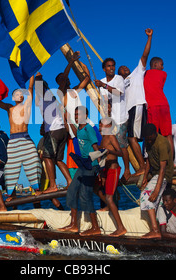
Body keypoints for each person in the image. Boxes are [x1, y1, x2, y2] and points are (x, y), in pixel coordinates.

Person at [0, 75, 41, 200]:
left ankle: (37, 189)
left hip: (25, 138)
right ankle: (10, 193)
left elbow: (30, 89)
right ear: (13, 97)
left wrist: (31, 75)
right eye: (17, 94)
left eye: (21, 94)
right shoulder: (9, 108)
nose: (20, 95)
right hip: (13, 140)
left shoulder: (26, 106)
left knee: (33, 162)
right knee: (11, 166)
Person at [59, 106, 101, 236]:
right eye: (75, 115)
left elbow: (96, 148)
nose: (77, 117)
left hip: (91, 165)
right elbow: (76, 134)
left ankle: (95, 227)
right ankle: (73, 225)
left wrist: (99, 170)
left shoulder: (88, 129)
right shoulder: (80, 129)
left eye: (79, 115)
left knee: (85, 195)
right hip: (82, 166)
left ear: (85, 115)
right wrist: (68, 119)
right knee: (72, 191)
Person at [118, 28, 153, 176]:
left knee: (132, 138)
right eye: (122, 69)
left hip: (137, 106)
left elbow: (145, 55)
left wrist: (149, 38)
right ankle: (144, 165)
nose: (125, 68)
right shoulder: (120, 84)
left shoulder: (137, 73)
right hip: (129, 112)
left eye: (125, 67)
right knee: (134, 138)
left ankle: (142, 167)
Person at [56, 51, 91, 181]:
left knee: (90, 151)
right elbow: (64, 77)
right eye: (61, 80)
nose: (65, 80)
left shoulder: (75, 90)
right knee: (76, 155)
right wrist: (71, 62)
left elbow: (87, 79)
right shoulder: (60, 93)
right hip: (73, 130)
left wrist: (79, 63)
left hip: (85, 126)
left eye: (64, 79)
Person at [35, 72, 71, 194]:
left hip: (54, 131)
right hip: (60, 130)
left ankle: (53, 185)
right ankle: (70, 181)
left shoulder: (46, 95)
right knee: (58, 160)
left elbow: (39, 86)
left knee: (47, 157)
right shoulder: (48, 99)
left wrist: (38, 78)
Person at [95, 58, 131, 181]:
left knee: (122, 146)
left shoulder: (118, 79)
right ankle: (111, 170)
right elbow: (105, 101)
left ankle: (127, 170)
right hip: (111, 119)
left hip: (121, 117)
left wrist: (104, 86)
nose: (111, 68)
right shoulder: (101, 81)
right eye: (109, 66)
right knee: (108, 145)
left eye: (113, 66)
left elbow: (119, 93)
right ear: (104, 69)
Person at [140, 123, 174, 239]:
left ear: (154, 134)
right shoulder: (149, 141)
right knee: (157, 203)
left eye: (150, 138)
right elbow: (149, 159)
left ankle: (154, 230)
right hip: (154, 173)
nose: (148, 141)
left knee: (146, 196)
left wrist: (157, 189)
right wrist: (145, 177)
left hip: (163, 174)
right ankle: (159, 230)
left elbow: (163, 168)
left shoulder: (162, 143)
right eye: (146, 139)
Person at [95, 117, 127, 237]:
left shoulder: (111, 137)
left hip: (113, 169)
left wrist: (110, 151)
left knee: (109, 197)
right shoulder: (102, 139)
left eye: (101, 125)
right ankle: (108, 206)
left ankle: (121, 228)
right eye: (99, 125)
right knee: (95, 188)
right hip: (106, 170)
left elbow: (120, 152)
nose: (99, 127)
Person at [143, 54, 173, 154]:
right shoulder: (164, 74)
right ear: (155, 64)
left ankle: (152, 159)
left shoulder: (144, 74)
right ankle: (171, 161)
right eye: (161, 64)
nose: (163, 67)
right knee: (167, 134)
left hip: (152, 106)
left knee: (152, 133)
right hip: (164, 105)